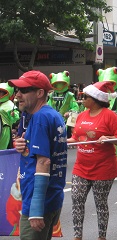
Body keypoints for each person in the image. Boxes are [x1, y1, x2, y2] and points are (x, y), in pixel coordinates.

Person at [8, 70, 67, 240]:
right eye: (16, 90)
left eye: (24, 90)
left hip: (39, 200)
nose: (18, 95)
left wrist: (35, 209)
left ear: (40, 93)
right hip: (51, 198)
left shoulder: (41, 118)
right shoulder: (49, 115)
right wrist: (22, 144)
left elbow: (44, 161)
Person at [67, 81, 117, 240]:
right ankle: (77, 236)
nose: (82, 99)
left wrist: (108, 138)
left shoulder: (110, 115)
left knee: (100, 204)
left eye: (85, 96)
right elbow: (76, 137)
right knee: (76, 199)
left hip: (103, 168)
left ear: (95, 98)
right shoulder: (81, 115)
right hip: (81, 167)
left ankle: (101, 237)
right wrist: (66, 141)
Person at [47, 71, 79, 138]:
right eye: (57, 84)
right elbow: (48, 106)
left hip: (66, 121)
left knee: (65, 136)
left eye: (61, 84)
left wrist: (69, 112)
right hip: (54, 120)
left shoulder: (70, 95)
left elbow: (75, 107)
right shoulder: (51, 95)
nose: (59, 86)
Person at [0, 82, 20, 150]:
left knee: (2, 148)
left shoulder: (9, 104)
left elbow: (15, 118)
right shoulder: (1, 103)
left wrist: (13, 115)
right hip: (1, 127)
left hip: (5, 129)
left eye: (1, 92)